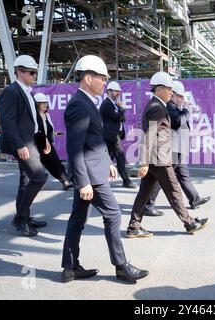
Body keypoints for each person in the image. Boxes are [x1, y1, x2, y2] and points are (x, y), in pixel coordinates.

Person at [61, 55, 148, 284]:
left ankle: (70, 268)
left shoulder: (88, 102)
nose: (105, 83)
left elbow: (94, 140)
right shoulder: (79, 105)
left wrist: (108, 162)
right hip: (90, 176)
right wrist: (84, 182)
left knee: (77, 220)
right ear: (88, 78)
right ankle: (121, 266)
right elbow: (75, 148)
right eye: (102, 78)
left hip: (93, 171)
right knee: (113, 214)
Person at [126, 71, 209, 238]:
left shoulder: (157, 106)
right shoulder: (156, 107)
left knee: (144, 193)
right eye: (169, 89)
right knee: (174, 191)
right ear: (159, 89)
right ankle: (189, 222)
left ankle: (134, 226)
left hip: (156, 158)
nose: (171, 93)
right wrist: (143, 162)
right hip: (159, 159)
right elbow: (149, 135)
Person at [143, 80, 211, 217]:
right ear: (172, 94)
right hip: (172, 148)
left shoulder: (175, 107)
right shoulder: (169, 106)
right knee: (161, 179)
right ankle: (148, 205)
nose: (182, 99)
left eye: (182, 96)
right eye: (179, 96)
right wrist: (187, 110)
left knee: (184, 175)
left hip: (178, 148)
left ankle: (194, 199)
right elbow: (177, 122)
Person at [0, 54, 47, 237]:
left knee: (26, 180)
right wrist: (20, 145)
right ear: (19, 72)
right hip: (22, 144)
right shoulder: (11, 91)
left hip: (30, 141)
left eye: (35, 72)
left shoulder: (26, 90)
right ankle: (20, 218)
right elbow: (7, 122)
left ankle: (25, 217)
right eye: (31, 72)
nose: (34, 76)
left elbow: (32, 120)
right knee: (39, 177)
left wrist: (43, 140)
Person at [99, 81, 136, 189]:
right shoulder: (106, 104)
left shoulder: (113, 104)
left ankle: (99, 180)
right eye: (115, 92)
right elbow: (117, 116)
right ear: (109, 92)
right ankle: (126, 180)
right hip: (111, 136)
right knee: (120, 156)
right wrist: (121, 109)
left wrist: (119, 111)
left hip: (114, 135)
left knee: (106, 158)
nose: (118, 94)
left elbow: (122, 118)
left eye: (119, 92)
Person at [33, 92, 73, 191]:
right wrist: (45, 139)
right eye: (43, 103)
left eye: (46, 103)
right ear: (37, 104)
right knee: (37, 166)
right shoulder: (34, 117)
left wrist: (54, 134)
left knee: (55, 162)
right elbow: (37, 131)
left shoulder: (47, 115)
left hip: (47, 144)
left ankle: (65, 181)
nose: (45, 105)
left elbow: (47, 130)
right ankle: (39, 181)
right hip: (37, 144)